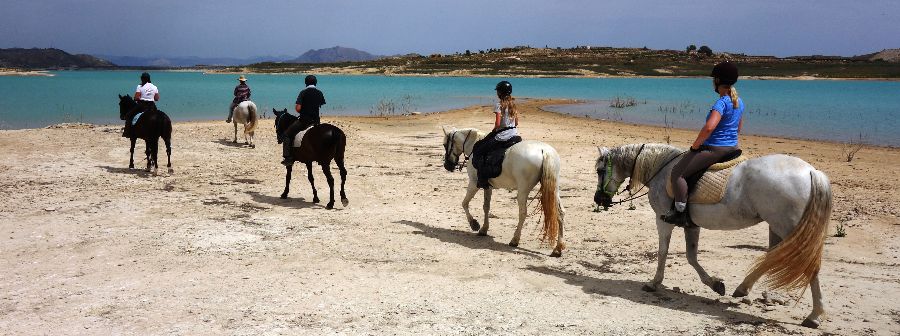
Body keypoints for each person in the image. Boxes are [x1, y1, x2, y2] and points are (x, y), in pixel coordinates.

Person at [661, 61, 744, 226]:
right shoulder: (739, 102)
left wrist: (695, 146)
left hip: (716, 149)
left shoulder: (721, 103)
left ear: (718, 81)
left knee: (678, 173)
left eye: (714, 79)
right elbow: (738, 128)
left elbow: (709, 128)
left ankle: (680, 213)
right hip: (733, 148)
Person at [470, 80, 522, 188]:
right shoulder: (513, 105)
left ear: (499, 93)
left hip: (503, 135)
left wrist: (494, 130)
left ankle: (482, 179)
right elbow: (516, 122)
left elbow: (498, 124)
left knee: (479, 149)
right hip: (514, 133)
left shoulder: (499, 105)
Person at [281, 75, 326, 165]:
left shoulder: (303, 92)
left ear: (306, 83)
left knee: (286, 134)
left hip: (304, 120)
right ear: (315, 83)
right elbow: (320, 104)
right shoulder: (320, 93)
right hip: (316, 121)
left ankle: (288, 158)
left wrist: (304, 109)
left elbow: (298, 108)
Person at [123, 72, 159, 137]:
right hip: (152, 106)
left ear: (142, 79)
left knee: (128, 115)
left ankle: (127, 133)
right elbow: (156, 98)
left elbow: (136, 98)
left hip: (142, 105)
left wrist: (138, 98)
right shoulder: (155, 87)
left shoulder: (140, 86)